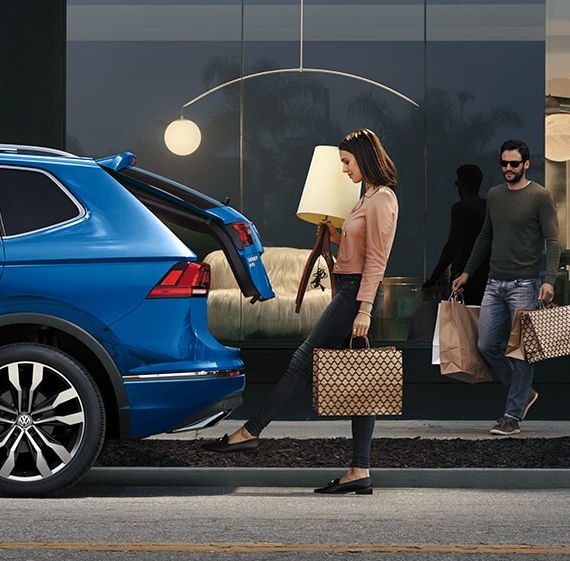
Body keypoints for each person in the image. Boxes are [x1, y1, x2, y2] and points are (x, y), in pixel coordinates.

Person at [202, 128, 400, 496]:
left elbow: (377, 259)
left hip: (357, 293)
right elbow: (358, 249)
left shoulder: (383, 198)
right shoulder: (365, 198)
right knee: (361, 384)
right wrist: (336, 237)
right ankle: (360, 470)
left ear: (363, 157)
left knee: (302, 361)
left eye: (346, 162)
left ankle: (250, 432)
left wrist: (365, 309)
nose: (344, 170)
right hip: (348, 287)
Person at [451, 139, 561, 437]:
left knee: (520, 352)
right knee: (486, 345)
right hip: (494, 283)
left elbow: (552, 241)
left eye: (514, 163)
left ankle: (511, 416)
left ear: (526, 164)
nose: (508, 168)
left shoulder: (540, 196)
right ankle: (522, 393)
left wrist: (549, 280)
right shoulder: (496, 196)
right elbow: (484, 237)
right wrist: (467, 273)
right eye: (504, 163)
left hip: (525, 285)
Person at [423, 163, 487, 306]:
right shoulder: (488, 206)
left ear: (462, 185)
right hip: (485, 274)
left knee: (461, 318)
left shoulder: (460, 208)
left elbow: (452, 244)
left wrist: (435, 276)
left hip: (463, 273)